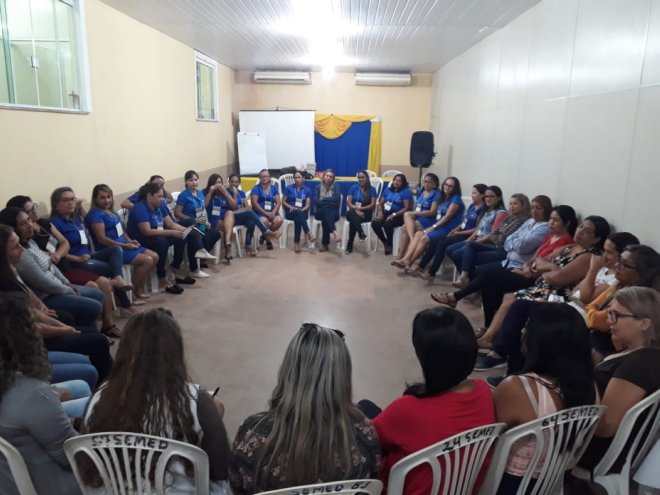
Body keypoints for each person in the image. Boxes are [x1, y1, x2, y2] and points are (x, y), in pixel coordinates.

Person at [83, 308, 230, 492]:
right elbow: (220, 473)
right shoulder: (197, 402)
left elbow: (87, 463)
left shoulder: (98, 399)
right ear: (175, 351)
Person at [229, 323, 381, 494]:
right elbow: (373, 481)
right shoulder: (364, 435)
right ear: (342, 376)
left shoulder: (252, 433)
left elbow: (237, 487)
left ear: (289, 370)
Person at [361, 308, 495, 494]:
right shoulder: (483, 391)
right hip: (463, 488)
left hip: (401, 489)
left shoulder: (407, 409)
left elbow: (366, 439)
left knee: (363, 408)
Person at [474, 216, 611, 373]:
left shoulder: (588, 256)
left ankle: (498, 350)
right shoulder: (570, 247)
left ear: (596, 239)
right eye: (581, 227)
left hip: (557, 296)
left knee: (514, 299)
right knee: (505, 292)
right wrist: (550, 268)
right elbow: (539, 260)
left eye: (587, 231)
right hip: (542, 287)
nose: (580, 232)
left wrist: (547, 271)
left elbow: (560, 279)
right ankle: (492, 342)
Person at [492, 303, 596, 494]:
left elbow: (490, 439)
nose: (523, 330)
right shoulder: (590, 386)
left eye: (528, 327)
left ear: (540, 341)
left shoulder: (517, 387)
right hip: (554, 479)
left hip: (509, 483)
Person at [430, 205, 577, 336]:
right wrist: (526, 266)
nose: (551, 222)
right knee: (489, 282)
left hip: (536, 281)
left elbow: (548, 268)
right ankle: (487, 326)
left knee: (489, 274)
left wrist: (528, 270)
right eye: (551, 219)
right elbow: (534, 257)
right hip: (524, 269)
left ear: (567, 223)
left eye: (556, 220)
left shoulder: (566, 244)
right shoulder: (551, 236)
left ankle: (456, 296)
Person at [0, 224, 113, 380]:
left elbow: (29, 298)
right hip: (27, 352)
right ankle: (107, 384)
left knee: (83, 328)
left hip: (34, 329)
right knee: (95, 339)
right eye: (15, 247)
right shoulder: (4, 287)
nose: (22, 249)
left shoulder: (10, 270)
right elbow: (30, 327)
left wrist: (48, 314)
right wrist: (63, 330)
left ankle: (110, 379)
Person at [0, 292, 81, 495]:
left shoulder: (24, 387)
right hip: (54, 484)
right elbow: (72, 456)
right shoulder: (33, 391)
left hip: (12, 474)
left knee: (80, 389)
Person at [578, 287, 660, 472]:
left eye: (615, 315)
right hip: (619, 450)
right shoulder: (645, 356)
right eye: (609, 314)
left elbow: (605, 427)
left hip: (597, 453)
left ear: (644, 323)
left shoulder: (637, 366)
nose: (609, 321)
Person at [126, 182, 215, 292]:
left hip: (158, 233)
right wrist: (171, 233)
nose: (162, 199)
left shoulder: (160, 204)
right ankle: (162, 277)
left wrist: (186, 230)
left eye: (162, 196)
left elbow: (170, 224)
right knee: (161, 242)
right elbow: (147, 232)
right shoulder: (140, 208)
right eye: (159, 196)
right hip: (141, 240)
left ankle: (175, 268)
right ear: (149, 196)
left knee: (186, 230)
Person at [584, 245, 660, 361]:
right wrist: (591, 309)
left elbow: (595, 320)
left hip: (608, 349)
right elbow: (590, 306)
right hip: (593, 337)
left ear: (640, 273)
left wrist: (591, 309)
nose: (616, 266)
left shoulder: (636, 301)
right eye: (619, 260)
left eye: (624, 265)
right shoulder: (618, 284)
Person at [86, 184, 158, 300]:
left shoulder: (111, 212)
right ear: (95, 199)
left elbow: (121, 231)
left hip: (124, 244)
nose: (107, 200)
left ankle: (136, 288)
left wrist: (130, 241)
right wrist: (125, 245)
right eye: (102, 198)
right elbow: (102, 239)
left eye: (109, 197)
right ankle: (132, 292)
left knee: (154, 256)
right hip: (112, 250)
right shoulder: (95, 215)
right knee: (147, 261)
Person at [449, 193, 531, 285]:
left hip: (503, 250)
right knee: (467, 246)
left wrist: (496, 237)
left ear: (524, 205)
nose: (512, 206)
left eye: (515, 204)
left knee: (463, 256)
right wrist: (496, 237)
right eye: (510, 204)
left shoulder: (523, 220)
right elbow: (496, 232)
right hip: (493, 244)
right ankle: (465, 278)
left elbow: (504, 238)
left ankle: (472, 283)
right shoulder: (510, 217)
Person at [413, 183, 487, 280]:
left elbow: (477, 228)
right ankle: (421, 266)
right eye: (472, 193)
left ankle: (431, 273)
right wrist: (455, 230)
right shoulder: (472, 206)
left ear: (482, 195)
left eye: (474, 193)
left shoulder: (483, 210)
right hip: (460, 232)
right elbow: (464, 222)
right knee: (434, 241)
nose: (472, 195)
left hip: (468, 235)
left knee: (441, 244)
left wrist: (459, 233)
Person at [393, 176, 465, 270]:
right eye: (446, 184)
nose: (447, 187)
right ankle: (406, 260)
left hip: (447, 228)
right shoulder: (444, 197)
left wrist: (433, 227)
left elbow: (447, 217)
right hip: (440, 226)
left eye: (450, 186)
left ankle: (409, 262)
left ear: (455, 188)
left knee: (423, 238)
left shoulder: (455, 200)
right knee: (418, 234)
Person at [174, 170, 221, 273]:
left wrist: (206, 221)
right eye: (191, 180)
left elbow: (203, 209)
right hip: (189, 225)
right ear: (186, 182)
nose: (194, 182)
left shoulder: (199, 193)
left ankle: (202, 258)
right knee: (199, 236)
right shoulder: (183, 195)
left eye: (196, 180)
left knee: (215, 234)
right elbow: (177, 213)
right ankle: (194, 267)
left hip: (201, 223)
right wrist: (193, 219)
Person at [226, 174, 280, 257]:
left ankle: (247, 246)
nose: (234, 184)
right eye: (232, 181)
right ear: (229, 182)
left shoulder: (242, 193)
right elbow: (233, 207)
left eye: (236, 182)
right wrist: (235, 194)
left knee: (251, 221)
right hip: (231, 218)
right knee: (250, 213)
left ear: (239, 183)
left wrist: (241, 209)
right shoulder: (227, 192)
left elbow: (247, 206)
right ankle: (266, 232)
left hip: (240, 215)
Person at [392, 173, 440, 264]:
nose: (426, 184)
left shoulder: (437, 194)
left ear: (435, 183)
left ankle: (402, 255)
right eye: (425, 182)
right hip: (418, 218)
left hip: (428, 220)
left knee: (405, 227)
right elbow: (411, 191)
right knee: (406, 216)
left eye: (429, 182)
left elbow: (432, 212)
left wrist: (415, 212)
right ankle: (408, 245)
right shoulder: (422, 191)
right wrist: (405, 185)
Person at [371, 173, 413, 255]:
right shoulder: (388, 190)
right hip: (386, 212)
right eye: (395, 180)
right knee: (375, 223)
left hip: (400, 216)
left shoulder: (406, 192)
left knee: (387, 224)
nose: (396, 182)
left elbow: (407, 208)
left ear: (403, 183)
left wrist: (393, 215)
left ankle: (390, 244)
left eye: (399, 181)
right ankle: (385, 242)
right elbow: (380, 203)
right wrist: (380, 214)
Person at [204, 173, 237, 262]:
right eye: (216, 183)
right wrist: (210, 192)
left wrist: (225, 193)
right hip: (212, 220)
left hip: (225, 218)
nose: (218, 185)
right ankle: (228, 247)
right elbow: (203, 206)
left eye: (220, 182)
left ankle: (227, 241)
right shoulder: (205, 192)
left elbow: (234, 207)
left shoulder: (225, 192)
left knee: (230, 213)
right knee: (229, 226)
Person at [344, 170, 377, 254]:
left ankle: (349, 245)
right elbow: (349, 202)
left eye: (363, 177)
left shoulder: (372, 189)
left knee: (353, 221)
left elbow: (372, 204)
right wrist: (356, 209)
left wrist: (361, 210)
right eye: (359, 177)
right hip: (354, 210)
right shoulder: (353, 187)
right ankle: (361, 233)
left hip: (366, 213)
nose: (361, 179)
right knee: (352, 215)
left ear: (367, 178)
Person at [282, 171, 315, 253]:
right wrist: (291, 207)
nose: (297, 179)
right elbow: (284, 201)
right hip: (290, 212)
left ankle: (296, 244)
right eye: (295, 178)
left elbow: (307, 205)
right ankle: (309, 233)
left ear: (303, 178)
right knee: (297, 214)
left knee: (298, 216)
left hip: (302, 212)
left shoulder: (307, 190)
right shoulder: (288, 188)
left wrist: (301, 210)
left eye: (299, 177)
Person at [250, 169, 283, 250]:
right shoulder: (256, 188)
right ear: (260, 178)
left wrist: (274, 212)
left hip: (272, 212)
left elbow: (278, 202)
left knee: (279, 220)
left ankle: (264, 235)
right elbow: (254, 203)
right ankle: (268, 240)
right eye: (262, 176)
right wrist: (265, 213)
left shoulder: (274, 188)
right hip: (259, 212)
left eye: (266, 176)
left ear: (270, 178)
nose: (264, 178)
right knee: (264, 221)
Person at [312, 169, 342, 252]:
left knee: (326, 217)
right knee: (326, 210)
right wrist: (329, 202)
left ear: (333, 179)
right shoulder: (318, 187)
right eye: (327, 176)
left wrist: (323, 199)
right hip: (319, 212)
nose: (328, 178)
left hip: (333, 212)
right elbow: (315, 201)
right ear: (324, 176)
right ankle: (334, 233)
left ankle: (325, 245)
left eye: (331, 177)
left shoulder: (336, 186)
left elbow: (336, 198)